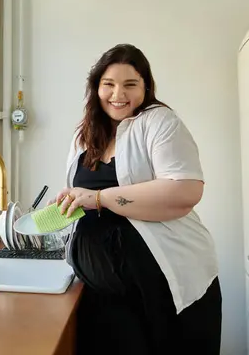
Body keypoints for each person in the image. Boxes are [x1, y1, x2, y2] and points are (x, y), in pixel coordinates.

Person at [51, 43, 222, 354]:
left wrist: (97, 198)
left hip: (161, 289)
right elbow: (84, 196)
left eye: (130, 84)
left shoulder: (159, 122)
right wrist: (71, 201)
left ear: (146, 86)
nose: (119, 94)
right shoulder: (84, 135)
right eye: (109, 84)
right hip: (101, 290)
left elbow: (185, 191)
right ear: (96, 88)